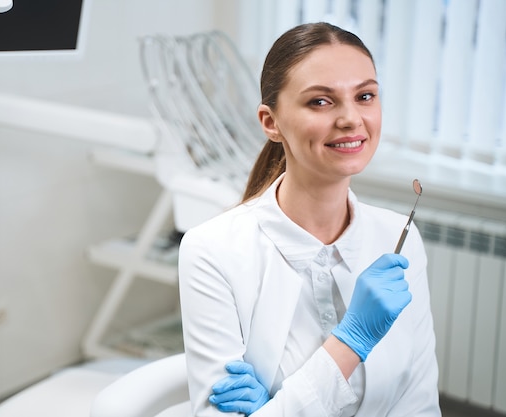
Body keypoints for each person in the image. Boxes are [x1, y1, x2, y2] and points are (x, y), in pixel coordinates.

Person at [178, 22, 441, 416]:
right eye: (321, 101)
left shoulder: (399, 239)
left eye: (365, 95)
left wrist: (277, 408)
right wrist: (351, 342)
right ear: (271, 122)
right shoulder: (211, 251)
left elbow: (419, 405)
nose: (352, 118)